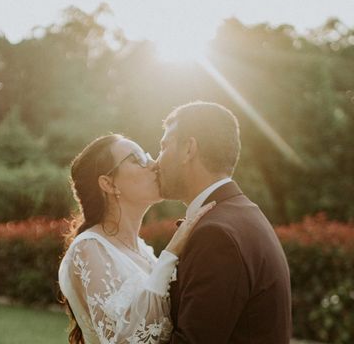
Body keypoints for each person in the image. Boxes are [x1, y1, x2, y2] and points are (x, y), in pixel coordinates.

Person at [155, 101, 292, 343]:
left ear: (189, 149)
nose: (157, 162)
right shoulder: (243, 215)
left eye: (164, 146)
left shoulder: (217, 235)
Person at [58, 134, 213, 344]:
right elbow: (125, 340)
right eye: (137, 159)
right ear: (108, 184)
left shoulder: (142, 250)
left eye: (147, 156)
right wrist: (171, 253)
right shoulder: (88, 248)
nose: (154, 164)